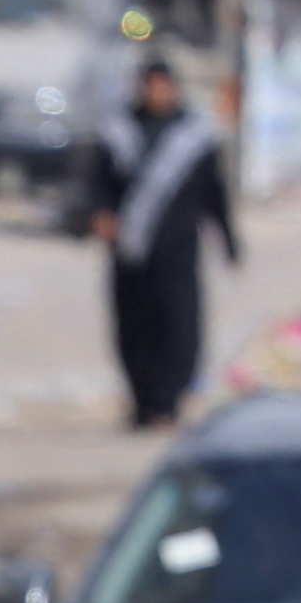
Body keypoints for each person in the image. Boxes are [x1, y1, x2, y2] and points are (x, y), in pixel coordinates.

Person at [86, 56, 239, 429]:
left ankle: (167, 404)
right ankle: (141, 402)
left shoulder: (194, 135)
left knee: (178, 327)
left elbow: (213, 193)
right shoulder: (118, 131)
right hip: (131, 252)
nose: (157, 93)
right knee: (133, 329)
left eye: (163, 86)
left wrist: (229, 238)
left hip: (178, 251)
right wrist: (100, 214)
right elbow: (97, 185)